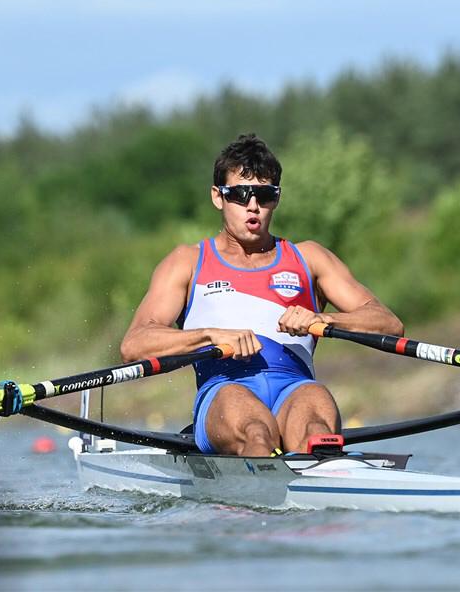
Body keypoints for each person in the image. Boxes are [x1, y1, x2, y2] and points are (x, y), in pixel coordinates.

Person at [120, 134, 403, 457]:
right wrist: (210, 335)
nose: (253, 206)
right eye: (240, 194)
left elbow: (388, 323)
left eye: (265, 195)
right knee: (256, 433)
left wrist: (325, 317)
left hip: (295, 388)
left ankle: (321, 472)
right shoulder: (187, 262)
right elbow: (134, 345)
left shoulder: (309, 258)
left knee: (316, 429)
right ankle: (263, 475)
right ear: (218, 197)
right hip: (225, 390)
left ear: (277, 199)